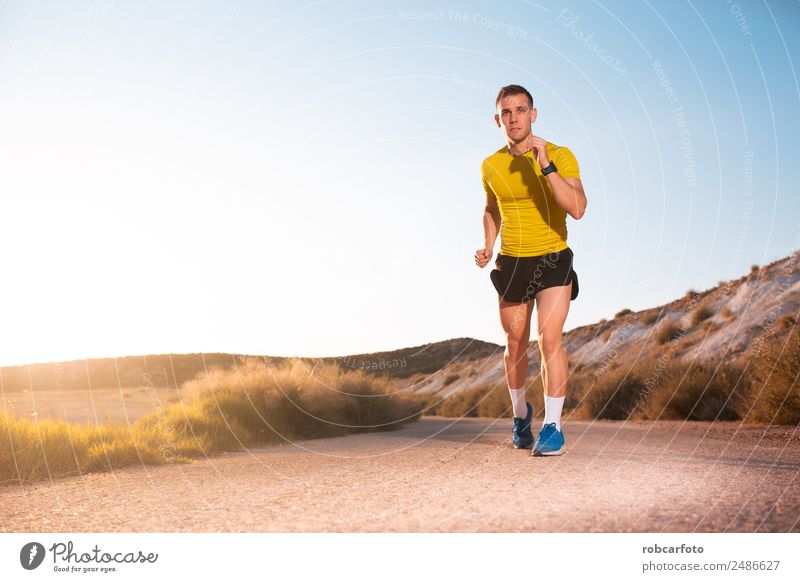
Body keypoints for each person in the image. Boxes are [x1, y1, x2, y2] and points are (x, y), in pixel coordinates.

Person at [474, 84, 587, 457]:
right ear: (497, 120)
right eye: (506, 113)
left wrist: (546, 167)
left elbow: (577, 207)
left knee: (549, 338)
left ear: (533, 114)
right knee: (515, 342)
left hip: (553, 258)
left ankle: (553, 428)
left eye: (521, 110)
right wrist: (489, 245)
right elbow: (491, 209)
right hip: (513, 260)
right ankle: (522, 416)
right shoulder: (491, 165)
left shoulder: (559, 154)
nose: (514, 118)